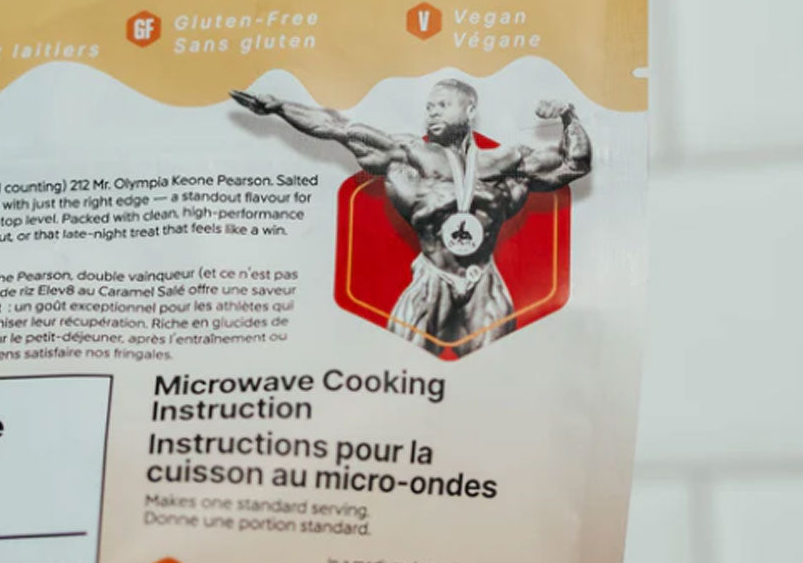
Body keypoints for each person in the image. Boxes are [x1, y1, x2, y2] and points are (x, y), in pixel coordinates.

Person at [231, 79, 591, 356]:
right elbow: (337, 127)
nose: (432, 112)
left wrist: (568, 116)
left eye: (443, 105)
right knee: (401, 364)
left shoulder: (507, 161)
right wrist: (280, 108)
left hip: (483, 280)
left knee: (496, 371)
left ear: (469, 110)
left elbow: (574, 164)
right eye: (429, 106)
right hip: (432, 277)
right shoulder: (408, 153)